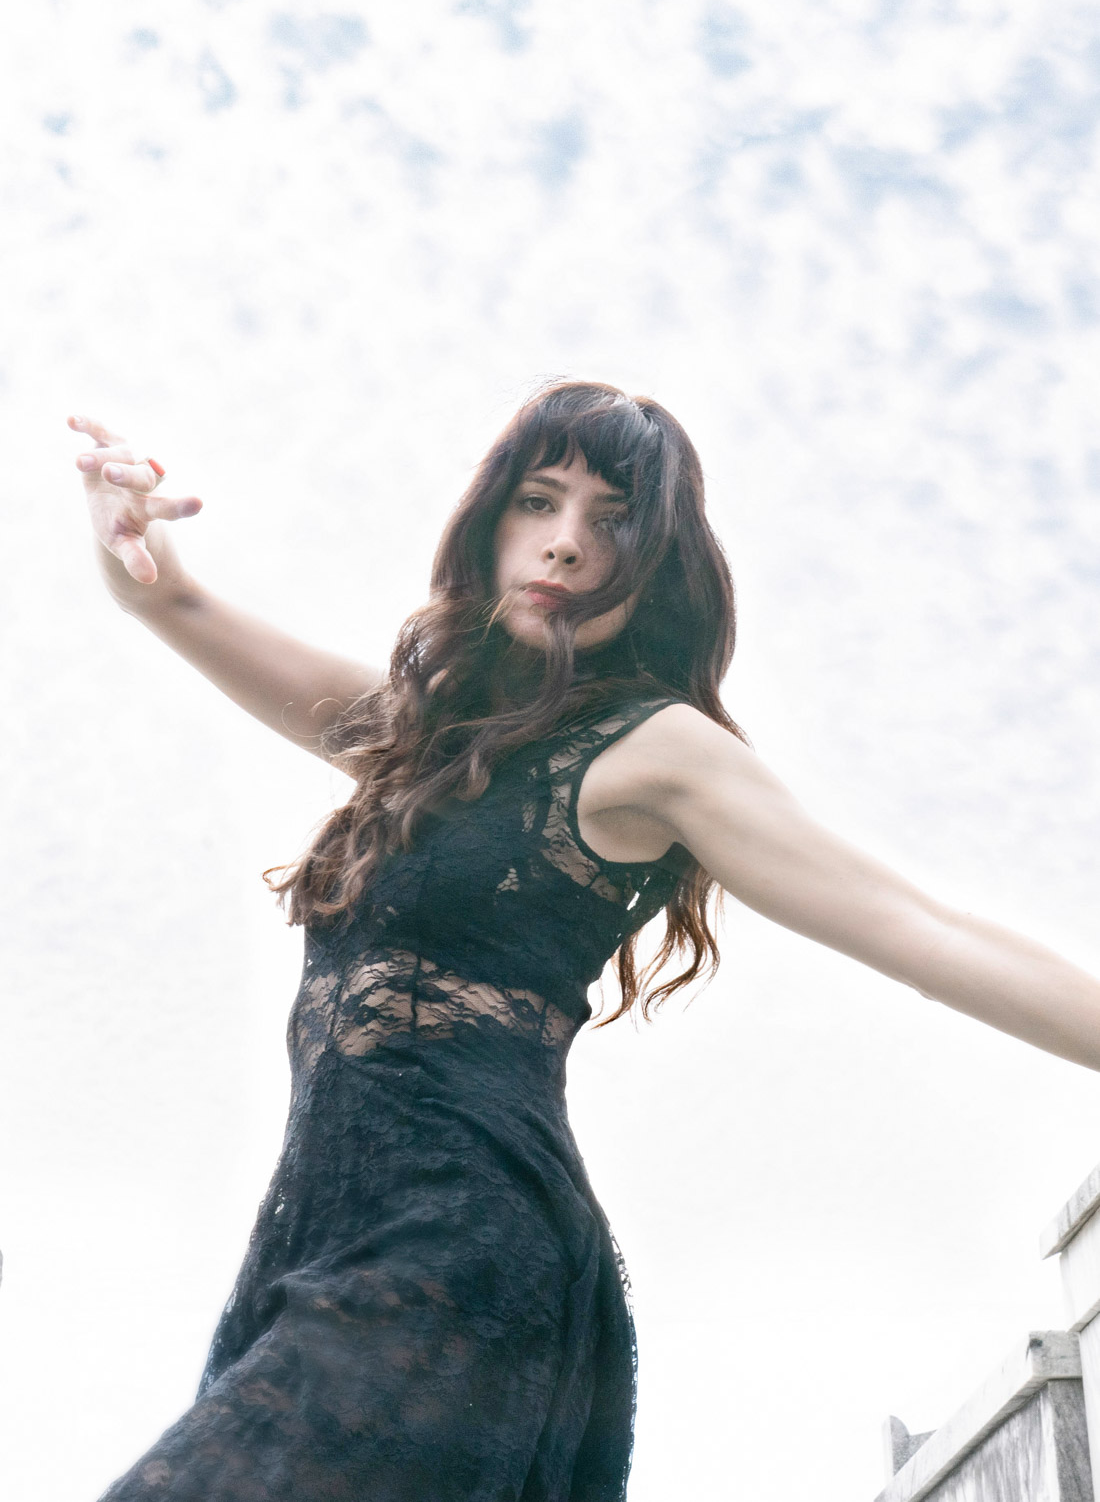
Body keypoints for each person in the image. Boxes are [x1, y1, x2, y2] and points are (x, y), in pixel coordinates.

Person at [70, 381, 1100, 1502]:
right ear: (488, 522)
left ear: (657, 565)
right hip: (313, 1242)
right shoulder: (426, 738)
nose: (564, 543)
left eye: (611, 520)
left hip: (459, 1253)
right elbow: (176, 605)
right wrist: (128, 535)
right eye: (539, 500)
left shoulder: (658, 749)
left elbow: (926, 928)